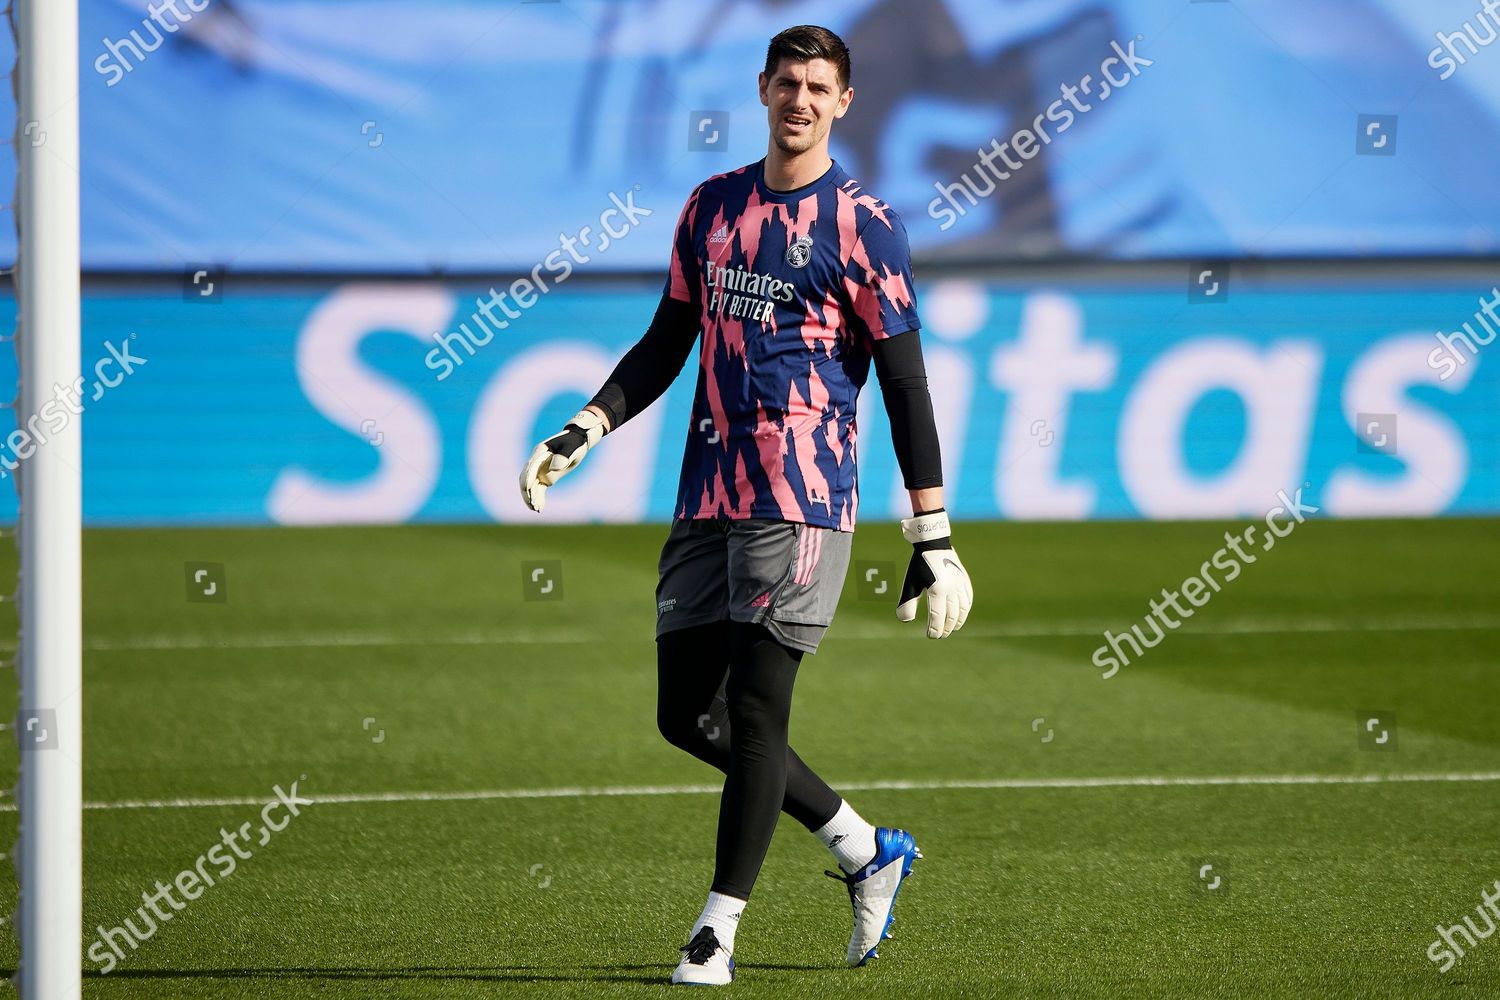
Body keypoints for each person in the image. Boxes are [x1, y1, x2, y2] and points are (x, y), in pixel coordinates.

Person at [519, 24, 973, 987]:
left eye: (819, 86)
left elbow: (905, 385)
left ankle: (715, 933)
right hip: (707, 492)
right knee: (688, 718)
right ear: (761, 90)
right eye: (786, 83)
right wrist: (587, 426)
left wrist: (931, 534)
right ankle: (864, 848)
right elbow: (665, 339)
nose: (800, 100)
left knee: (760, 710)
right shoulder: (711, 207)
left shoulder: (864, 224)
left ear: (843, 102)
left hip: (804, 499)